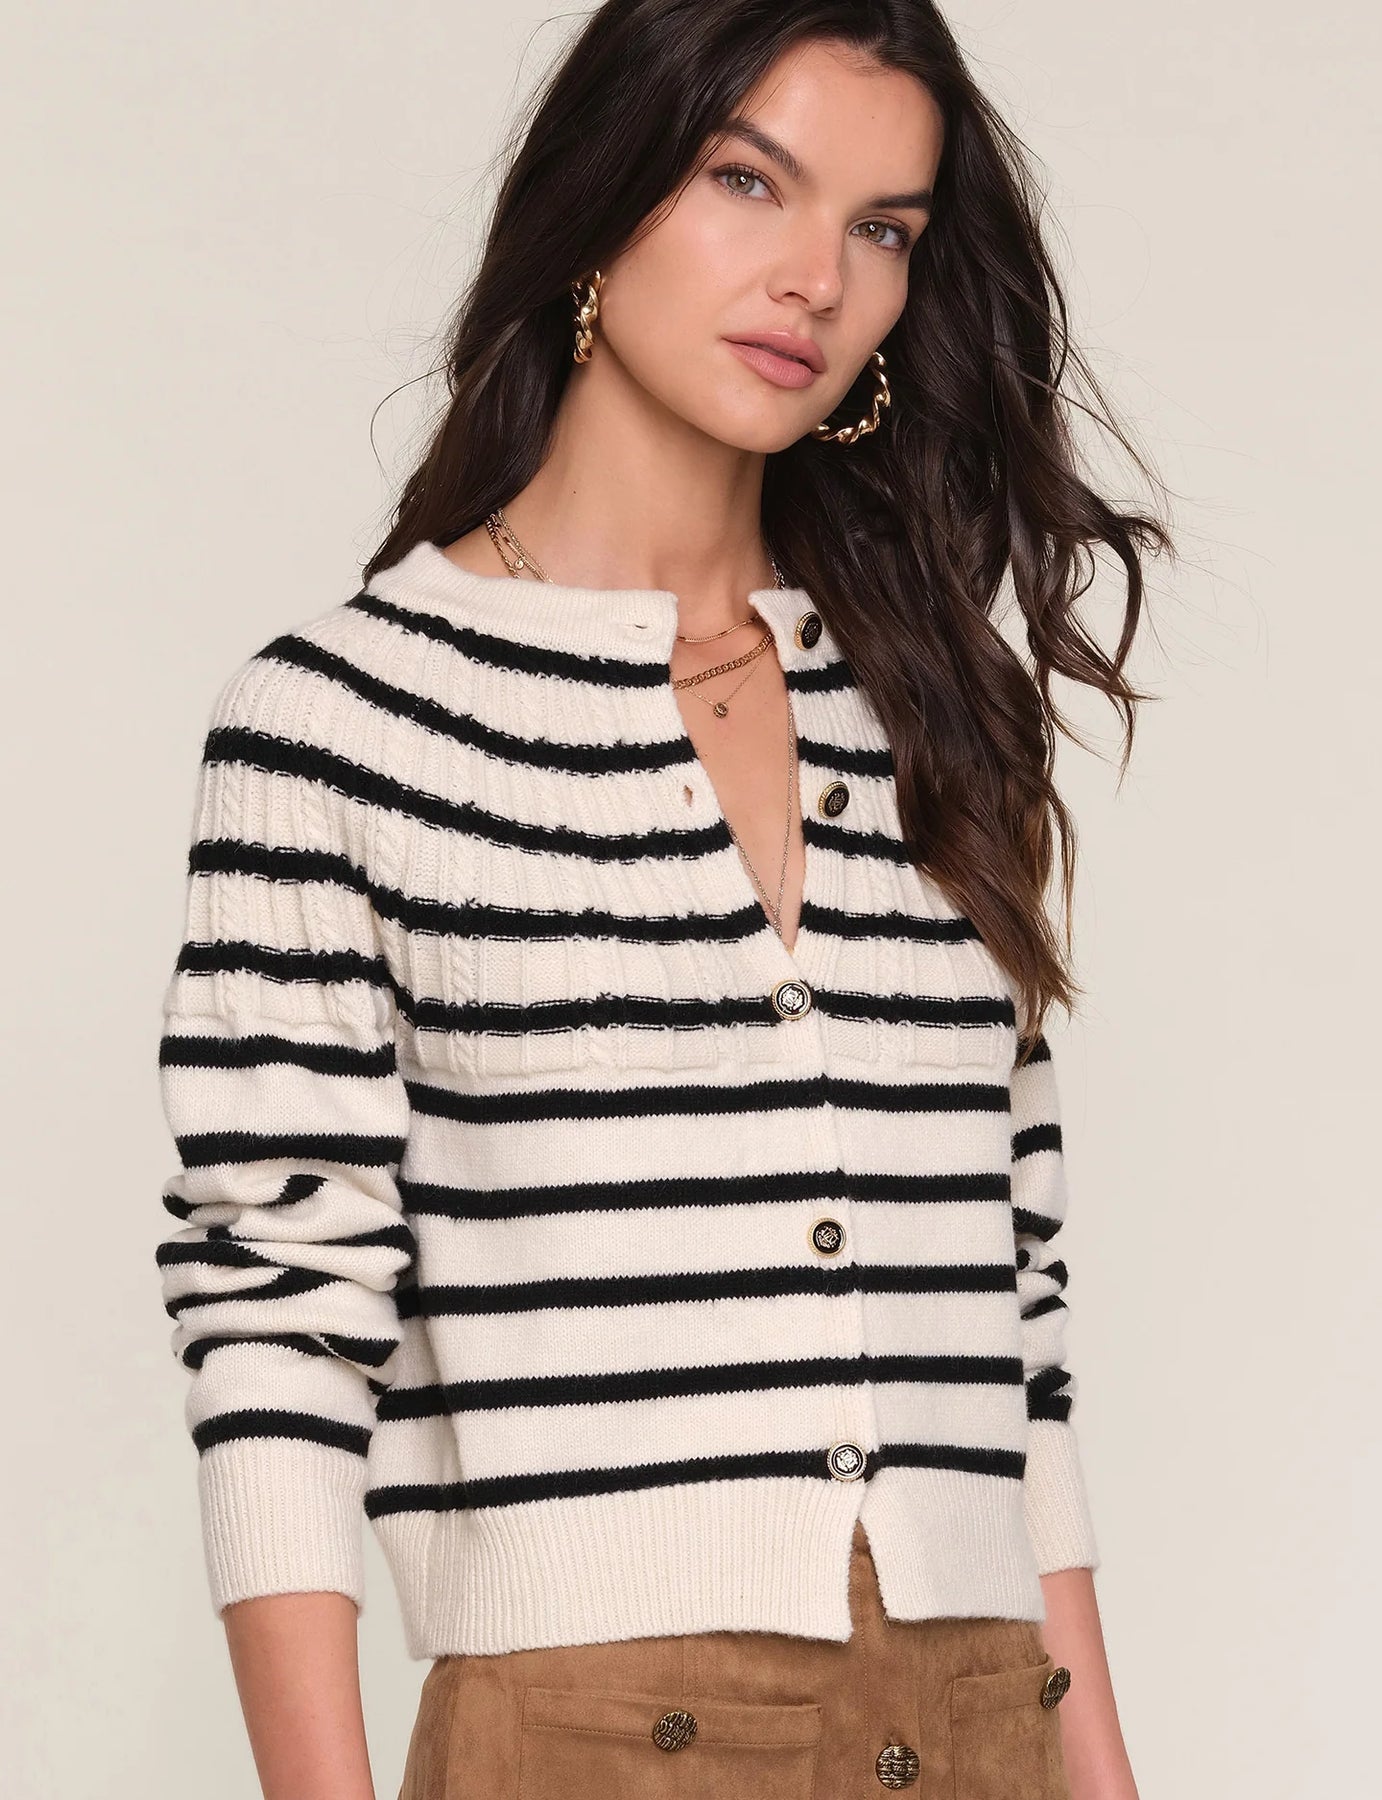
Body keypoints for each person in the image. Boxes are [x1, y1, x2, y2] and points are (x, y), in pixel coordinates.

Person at [154, 4, 1171, 1796]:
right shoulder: (342, 725)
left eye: (881, 227)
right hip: (594, 1741)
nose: (816, 280)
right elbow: (278, 1314)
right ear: (599, 197)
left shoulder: (939, 717)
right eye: (744, 182)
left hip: (975, 1722)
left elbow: (1011, 1322)